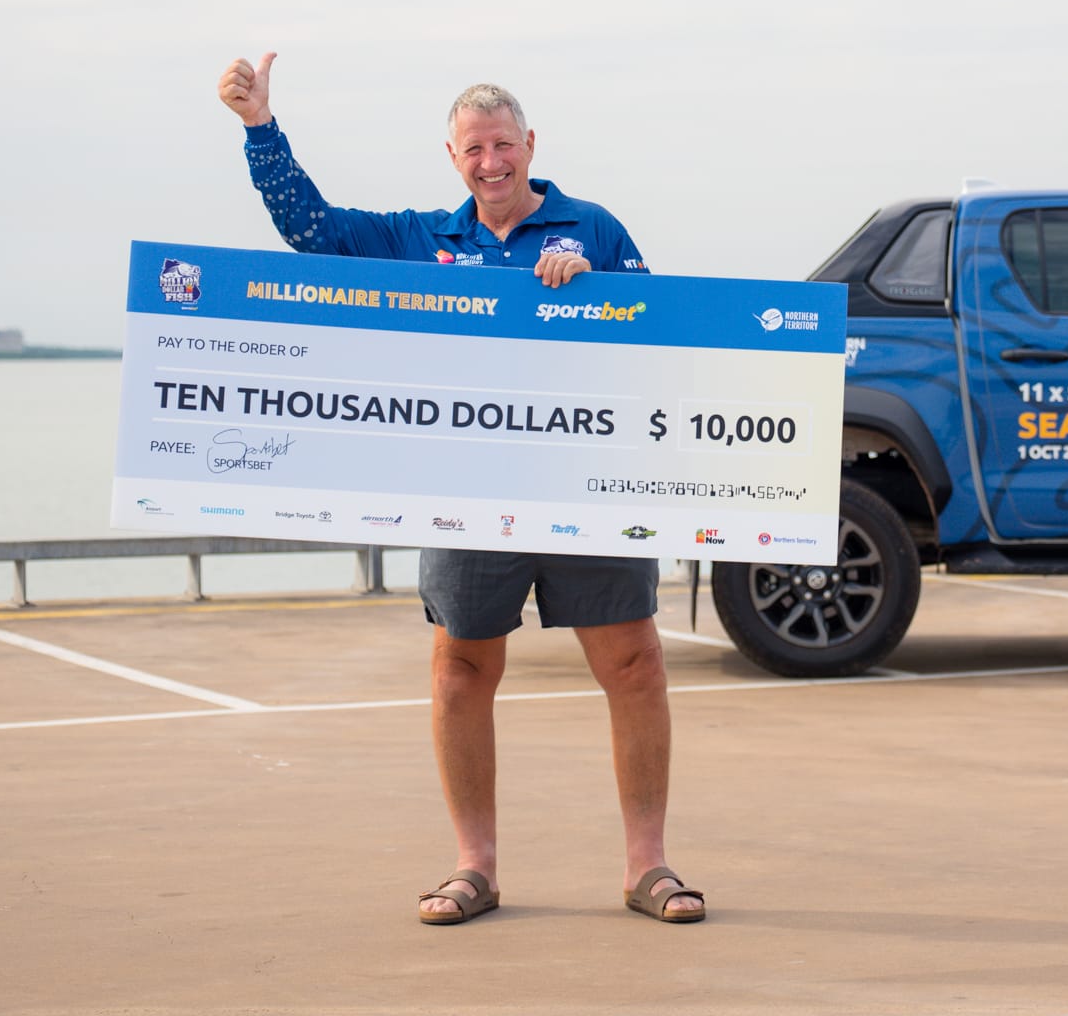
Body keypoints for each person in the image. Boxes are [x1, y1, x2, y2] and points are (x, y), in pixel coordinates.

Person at [217, 52, 704, 927]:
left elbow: (660, 339)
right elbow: (312, 233)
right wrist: (261, 129)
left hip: (584, 487)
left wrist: (597, 295)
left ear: (530, 145)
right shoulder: (416, 239)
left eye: (504, 145)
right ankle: (473, 867)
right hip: (463, 492)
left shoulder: (593, 229)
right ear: (453, 157)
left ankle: (648, 867)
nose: (492, 162)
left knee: (635, 665)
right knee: (460, 673)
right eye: (474, 149)